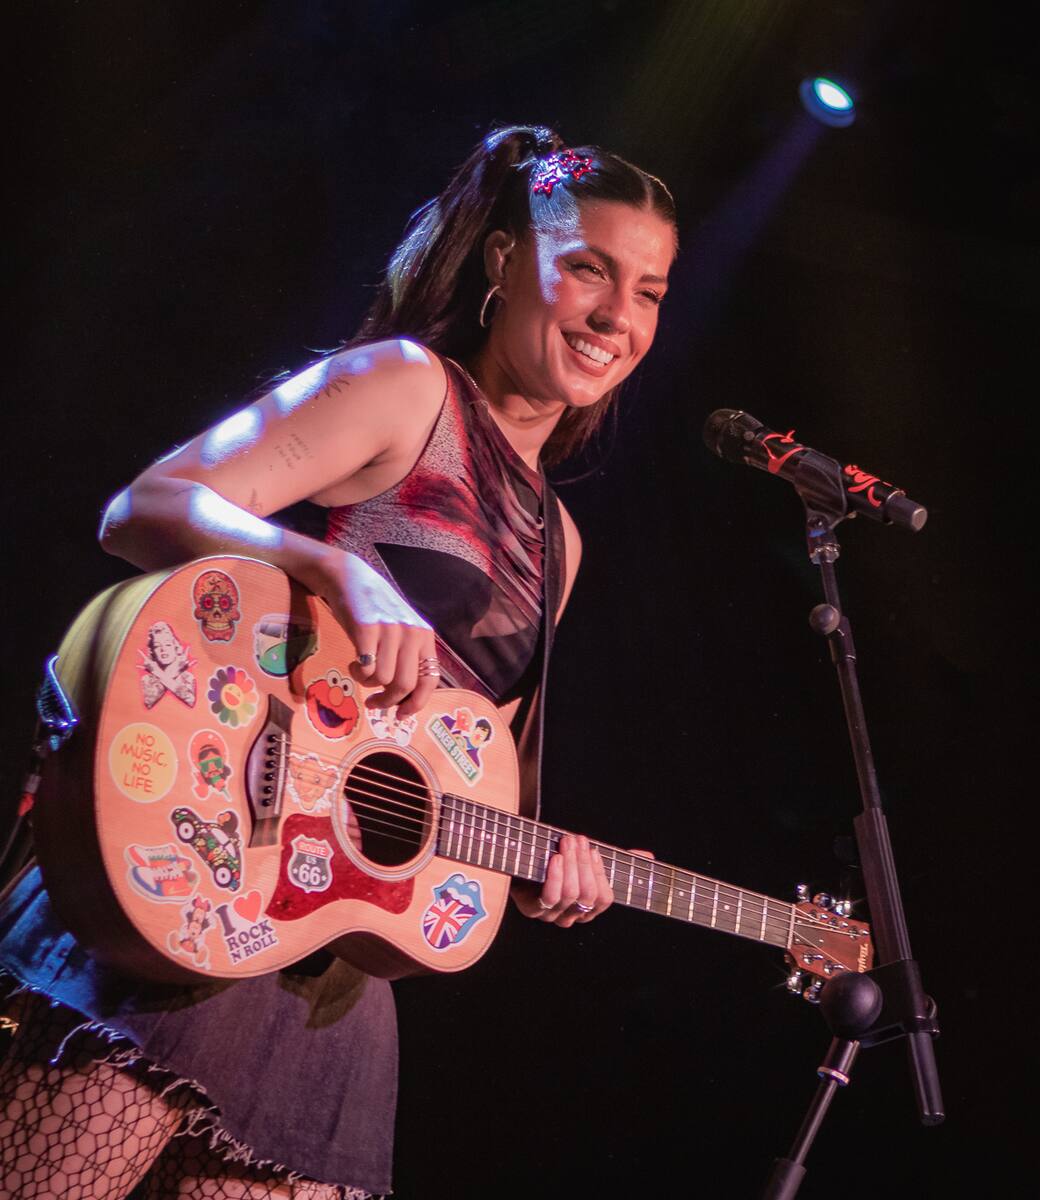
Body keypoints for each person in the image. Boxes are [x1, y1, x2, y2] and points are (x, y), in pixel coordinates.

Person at [0, 124, 675, 1198]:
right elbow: (146, 507)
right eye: (589, 269)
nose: (616, 316)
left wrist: (546, 865)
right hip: (196, 871)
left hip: (327, 974)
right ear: (505, 260)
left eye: (648, 291)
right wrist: (330, 569)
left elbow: (464, 774)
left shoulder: (562, 544)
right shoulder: (406, 387)